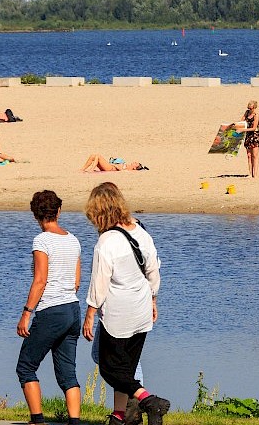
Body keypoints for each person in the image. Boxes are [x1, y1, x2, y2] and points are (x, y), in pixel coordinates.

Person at [81, 183, 170, 425]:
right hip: (141, 309)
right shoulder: (141, 232)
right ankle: (121, 416)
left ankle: (149, 400)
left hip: (118, 315)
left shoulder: (106, 242)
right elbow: (153, 269)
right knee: (126, 368)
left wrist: (89, 313)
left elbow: (99, 283)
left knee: (109, 369)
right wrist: (153, 299)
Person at [16, 190, 82, 425]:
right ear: (58, 211)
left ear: (36, 214)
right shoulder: (73, 240)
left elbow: (40, 280)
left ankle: (37, 420)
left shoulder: (42, 241)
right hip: (73, 310)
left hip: (51, 310)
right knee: (68, 373)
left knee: (26, 366)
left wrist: (26, 313)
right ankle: (74, 422)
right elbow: (76, 282)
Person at [240, 100, 259, 178]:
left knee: (255, 155)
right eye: (249, 108)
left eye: (251, 108)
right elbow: (241, 121)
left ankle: (255, 174)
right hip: (248, 135)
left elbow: (254, 128)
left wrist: (243, 130)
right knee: (249, 155)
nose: (250, 109)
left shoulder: (256, 116)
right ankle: (250, 173)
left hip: (255, 135)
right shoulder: (247, 113)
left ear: (254, 107)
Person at [80, 155, 148, 172]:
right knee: (93, 156)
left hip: (110, 168)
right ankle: (82, 169)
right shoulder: (128, 165)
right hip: (110, 166)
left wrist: (115, 166)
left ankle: (91, 169)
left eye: (136, 163)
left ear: (135, 167)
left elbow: (122, 170)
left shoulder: (130, 169)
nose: (134, 162)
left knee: (98, 156)